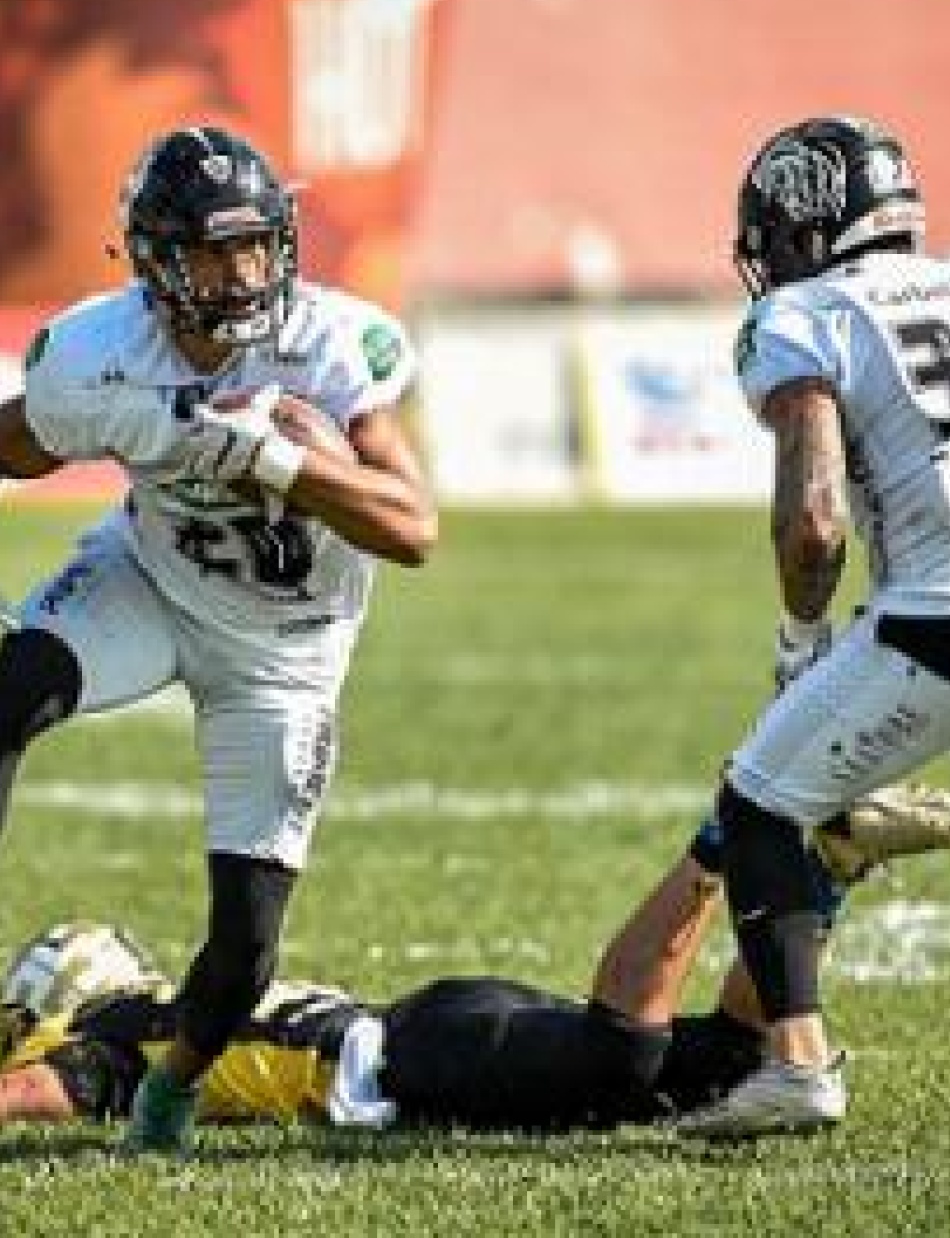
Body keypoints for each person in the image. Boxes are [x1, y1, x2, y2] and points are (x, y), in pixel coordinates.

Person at [0, 124, 438, 1153]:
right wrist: (127, 429)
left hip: (284, 655)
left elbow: (412, 529)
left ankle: (167, 1098)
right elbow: (16, 444)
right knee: (7, 686)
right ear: (152, 260)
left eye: (255, 246)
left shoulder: (334, 344)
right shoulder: (98, 352)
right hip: (147, 583)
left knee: (243, 943)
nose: (241, 275)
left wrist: (284, 468)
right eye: (210, 250)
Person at [1, 784, 948, 1137]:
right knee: (728, 1062)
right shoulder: (156, 1010)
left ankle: (719, 844)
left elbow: (36, 1098)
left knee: (617, 1051)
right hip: (429, 1028)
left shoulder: (104, 1033)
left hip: (407, 1055)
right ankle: (824, 868)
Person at [665, 114, 950, 1137]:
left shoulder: (803, 313)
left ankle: (795, 1064)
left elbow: (814, 520)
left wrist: (800, 639)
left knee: (754, 803)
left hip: (933, 611)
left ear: (803, 223)